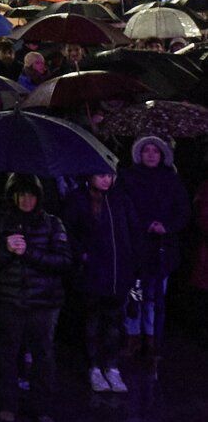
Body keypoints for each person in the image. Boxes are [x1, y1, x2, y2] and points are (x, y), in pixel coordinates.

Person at [0, 175, 73, 422]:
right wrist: (5, 249)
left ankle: (42, 407)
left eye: (30, 194)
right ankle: (8, 404)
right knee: (7, 355)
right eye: (21, 194)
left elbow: (64, 261)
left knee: (43, 356)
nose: (26, 200)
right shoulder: (0, 221)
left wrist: (29, 253)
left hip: (43, 303)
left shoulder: (53, 224)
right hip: (9, 300)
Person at [61, 168, 140, 395]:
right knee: (93, 320)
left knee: (115, 321)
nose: (107, 180)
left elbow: (133, 232)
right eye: (101, 175)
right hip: (93, 273)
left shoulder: (120, 200)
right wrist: (82, 254)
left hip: (118, 273)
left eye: (110, 175)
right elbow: (68, 230)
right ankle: (95, 367)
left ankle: (112, 367)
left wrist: (134, 264)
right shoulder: (78, 200)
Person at [118, 136, 187, 363]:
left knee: (155, 297)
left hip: (162, 247)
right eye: (146, 150)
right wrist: (144, 224)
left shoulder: (171, 180)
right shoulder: (129, 178)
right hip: (137, 244)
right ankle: (133, 338)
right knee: (134, 295)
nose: (150, 154)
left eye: (155, 151)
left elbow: (182, 210)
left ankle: (152, 339)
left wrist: (166, 227)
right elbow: (125, 208)